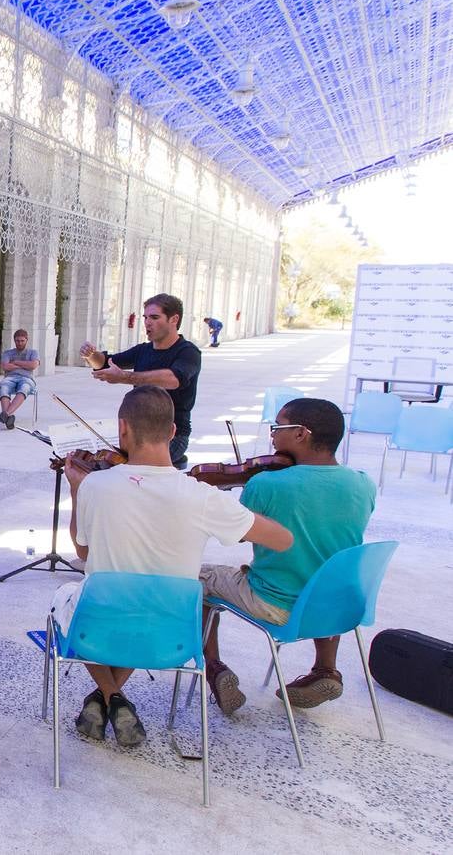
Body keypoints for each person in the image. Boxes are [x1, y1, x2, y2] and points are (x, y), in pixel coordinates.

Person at [55, 386, 292, 746]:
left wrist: (75, 490)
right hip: (172, 634)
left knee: (73, 597)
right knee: (150, 601)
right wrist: (239, 517)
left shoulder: (94, 486)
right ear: (171, 432)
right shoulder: (202, 495)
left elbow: (83, 552)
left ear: (123, 429)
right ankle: (112, 696)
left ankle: (108, 694)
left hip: (98, 626)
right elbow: (283, 540)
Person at [200, 398, 376, 715]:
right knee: (323, 566)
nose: (272, 435)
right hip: (337, 607)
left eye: (278, 427)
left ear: (300, 434)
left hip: (277, 606)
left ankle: (214, 668)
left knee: (199, 578)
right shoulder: (363, 484)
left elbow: (237, 533)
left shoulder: (267, 483)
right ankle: (325, 669)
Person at [78, 293, 201, 469]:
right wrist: (92, 355)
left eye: (154, 317)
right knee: (101, 466)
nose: (147, 322)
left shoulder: (189, 352)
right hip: (135, 431)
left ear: (174, 319)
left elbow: (173, 379)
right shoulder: (143, 350)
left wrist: (125, 377)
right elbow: (105, 363)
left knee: (130, 469)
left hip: (171, 436)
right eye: (145, 317)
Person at [0, 329, 39, 430]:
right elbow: (5, 367)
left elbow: (33, 365)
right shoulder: (7, 353)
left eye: (22, 341)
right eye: (17, 341)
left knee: (24, 388)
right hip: (10, 378)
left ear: (26, 340)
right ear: (14, 341)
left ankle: (5, 414)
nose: (19, 343)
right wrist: (24, 365)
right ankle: (9, 417)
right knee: (3, 386)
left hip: (27, 378)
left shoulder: (33, 352)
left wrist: (15, 362)